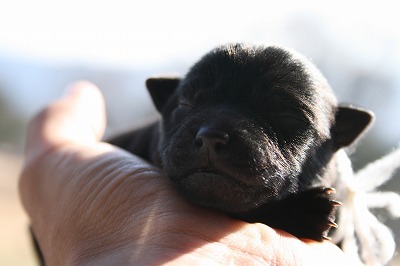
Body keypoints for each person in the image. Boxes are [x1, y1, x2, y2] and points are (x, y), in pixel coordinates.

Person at [19, 81, 353, 265]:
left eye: (287, 119)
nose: (212, 134)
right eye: (187, 106)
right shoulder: (130, 153)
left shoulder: (338, 200)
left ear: (339, 137)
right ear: (165, 105)